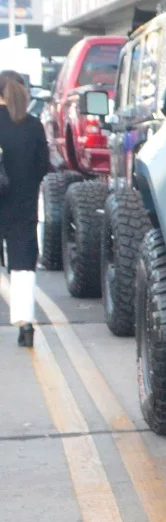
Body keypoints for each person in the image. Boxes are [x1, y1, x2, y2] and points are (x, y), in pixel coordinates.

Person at [0, 70, 53, 347]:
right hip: (22, 205)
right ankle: (25, 326)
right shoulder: (32, 125)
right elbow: (43, 166)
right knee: (22, 268)